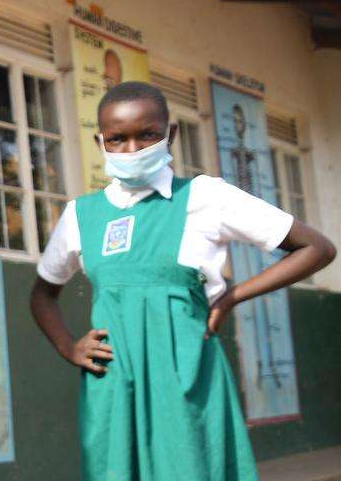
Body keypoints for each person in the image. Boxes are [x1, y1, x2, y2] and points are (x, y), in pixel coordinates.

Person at [28, 82, 335, 480]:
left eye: (148, 134)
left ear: (170, 134)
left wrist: (232, 297)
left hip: (186, 378)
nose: (133, 148)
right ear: (100, 141)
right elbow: (42, 295)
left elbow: (316, 248)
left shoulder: (204, 197)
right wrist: (69, 346)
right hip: (114, 382)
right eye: (117, 138)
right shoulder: (80, 215)